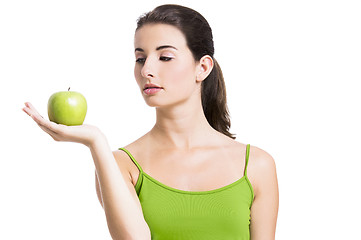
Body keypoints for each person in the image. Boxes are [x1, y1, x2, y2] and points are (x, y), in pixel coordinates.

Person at [23, 4, 279, 240]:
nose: (146, 71)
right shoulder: (121, 165)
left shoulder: (256, 165)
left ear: (202, 68)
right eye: (140, 58)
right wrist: (95, 142)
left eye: (165, 57)